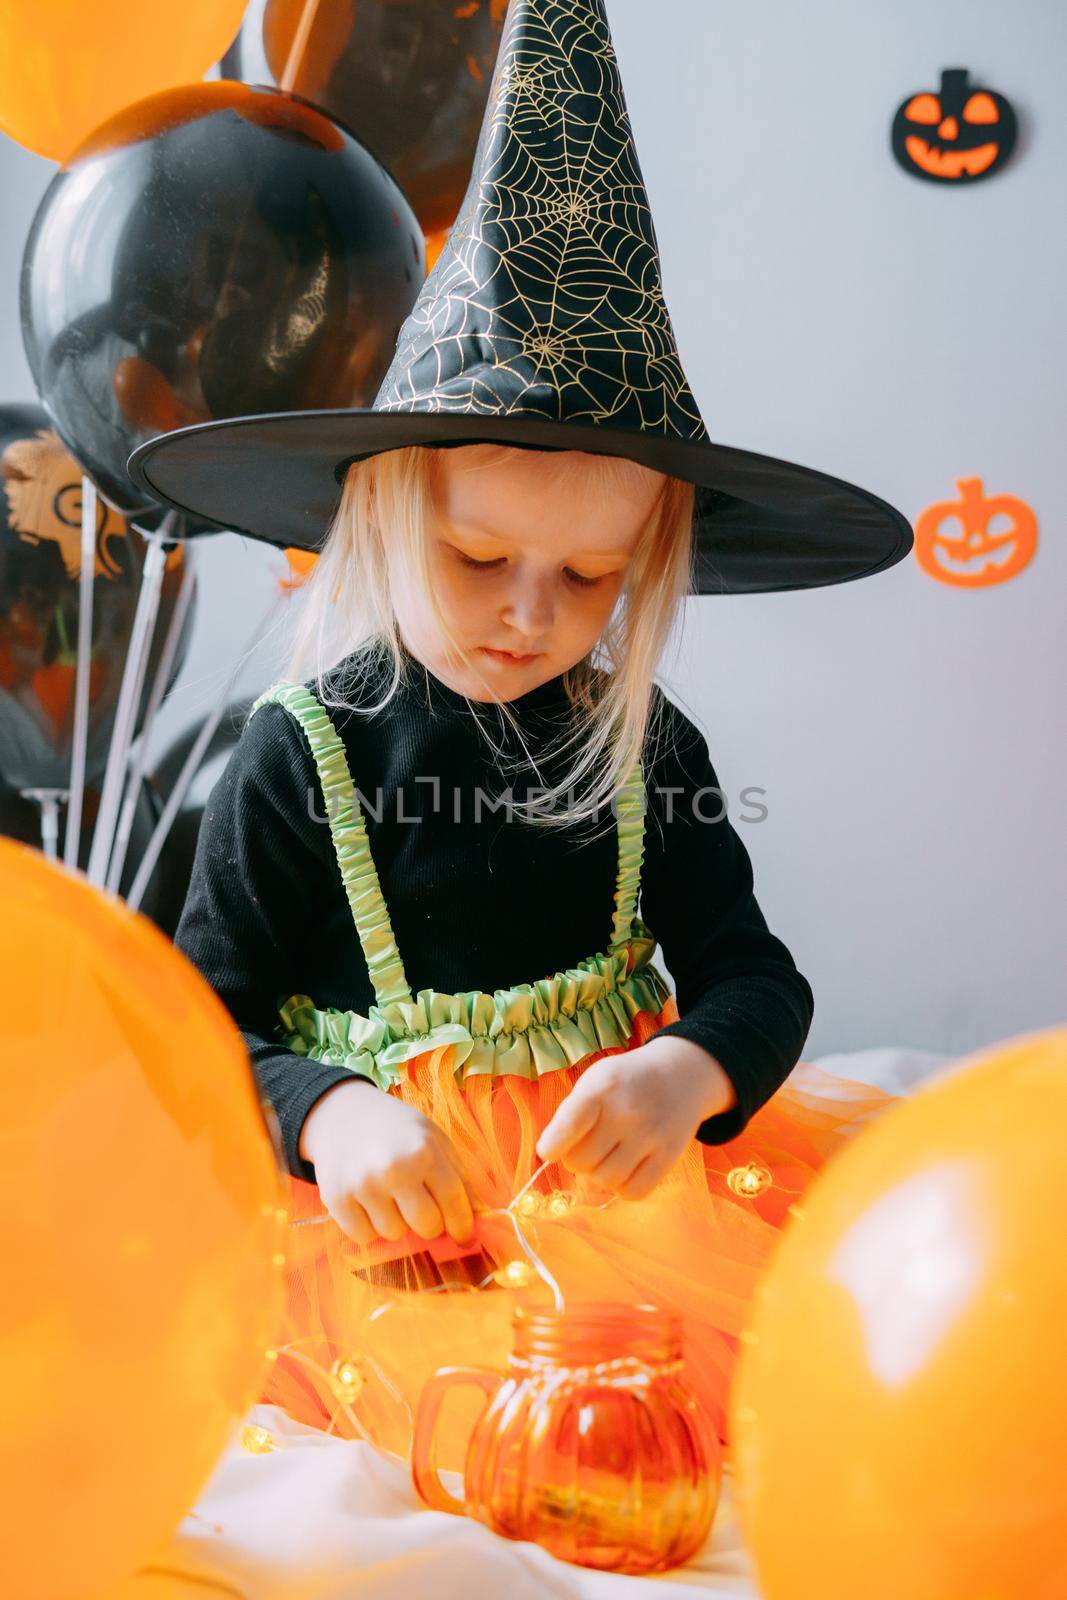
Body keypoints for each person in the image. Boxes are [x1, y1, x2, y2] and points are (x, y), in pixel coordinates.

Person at [132, 0, 912, 1466]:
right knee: (481, 1428)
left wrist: (687, 1072)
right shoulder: (297, 759)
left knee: (743, 1391)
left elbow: (753, 976)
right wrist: (335, 1116)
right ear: (382, 510)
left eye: (596, 581)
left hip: (617, 1215)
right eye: (482, 561)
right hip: (392, 1228)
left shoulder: (640, 744)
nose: (531, 616)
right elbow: (201, 1039)